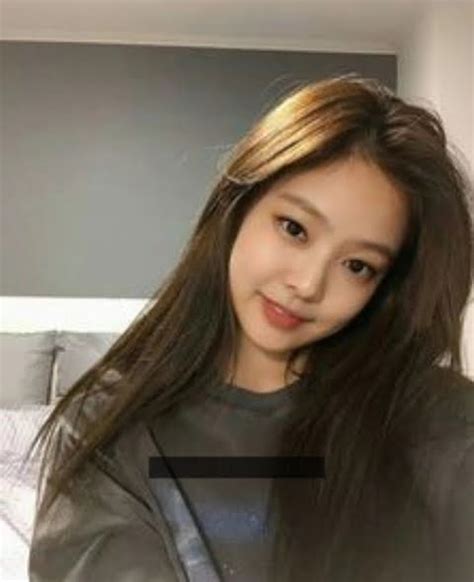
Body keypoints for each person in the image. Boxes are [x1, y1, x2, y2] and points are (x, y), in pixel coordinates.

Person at [26, 74, 474, 582]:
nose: (307, 284)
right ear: (237, 207)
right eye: (294, 228)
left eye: (357, 266)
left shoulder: (439, 425)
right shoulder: (106, 429)